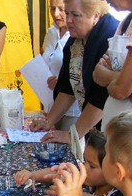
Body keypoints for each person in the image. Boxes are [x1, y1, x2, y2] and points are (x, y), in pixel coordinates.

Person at [30, 0, 118, 145]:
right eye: (67, 13)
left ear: (95, 16)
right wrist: (48, 121)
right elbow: (67, 86)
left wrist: (73, 135)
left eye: (76, 15)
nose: (68, 20)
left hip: (113, 129)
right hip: (95, 127)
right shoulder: (75, 40)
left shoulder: (109, 37)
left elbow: (101, 98)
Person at [14, 129, 113, 196]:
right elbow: (58, 173)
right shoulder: (87, 176)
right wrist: (33, 175)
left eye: (92, 166)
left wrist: (70, 194)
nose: (83, 166)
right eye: (85, 161)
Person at [93, 0, 132, 131]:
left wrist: (115, 83)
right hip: (114, 123)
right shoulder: (126, 21)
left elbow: (120, 91)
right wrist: (119, 78)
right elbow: (97, 73)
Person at [41, 0, 80, 130]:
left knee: (71, 147)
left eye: (61, 9)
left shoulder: (77, 35)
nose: (56, 14)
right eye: (52, 9)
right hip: (51, 105)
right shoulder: (51, 33)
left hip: (71, 109)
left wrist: (61, 82)